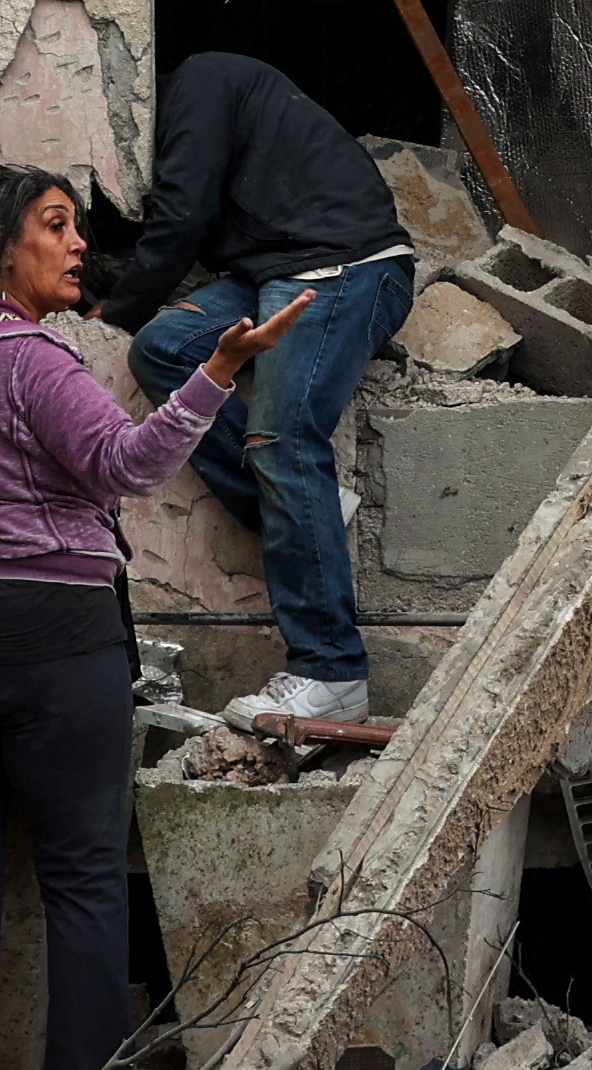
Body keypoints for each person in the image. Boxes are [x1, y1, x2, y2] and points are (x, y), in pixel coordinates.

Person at [0, 163, 294, 1070]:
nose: (77, 244)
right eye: (54, 227)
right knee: (87, 881)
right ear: (0, 248)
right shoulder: (33, 361)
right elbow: (127, 464)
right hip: (55, 642)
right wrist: (217, 371)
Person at [103, 51, 419, 727]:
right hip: (275, 270)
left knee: (282, 438)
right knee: (161, 350)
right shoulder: (213, 100)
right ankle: (305, 507)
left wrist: (116, 308)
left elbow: (182, 214)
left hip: (348, 264)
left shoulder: (200, 83)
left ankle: (331, 669)